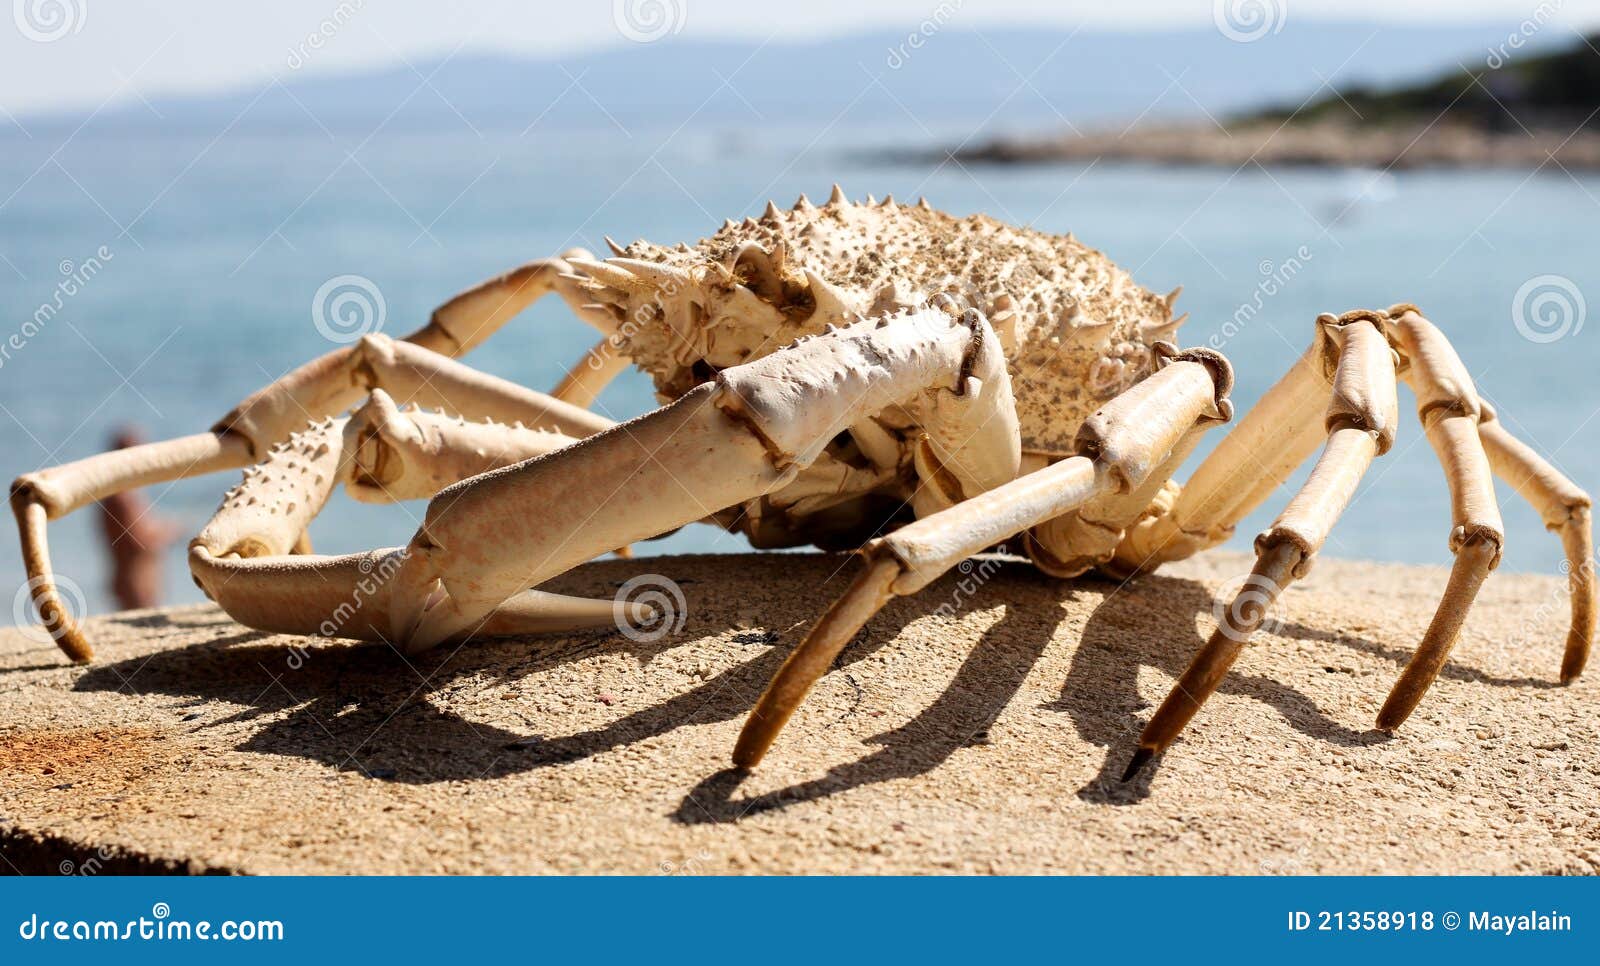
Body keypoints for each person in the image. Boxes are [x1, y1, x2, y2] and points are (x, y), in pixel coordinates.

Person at [97, 427, 182, 610]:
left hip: (136, 581)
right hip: (134, 583)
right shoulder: (120, 497)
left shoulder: (121, 494)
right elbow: (138, 541)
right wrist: (168, 532)